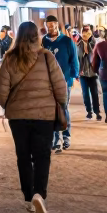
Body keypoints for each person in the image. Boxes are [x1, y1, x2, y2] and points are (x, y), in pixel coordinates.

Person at [0, 20, 68, 213]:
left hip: (18, 117)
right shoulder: (46, 57)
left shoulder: (10, 58)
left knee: (23, 156)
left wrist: (10, 106)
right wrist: (61, 105)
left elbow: (1, 90)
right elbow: (60, 86)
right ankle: (39, 194)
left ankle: (28, 198)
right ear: (37, 36)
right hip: (44, 115)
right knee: (42, 155)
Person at [41, 16, 79, 151]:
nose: (51, 27)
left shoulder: (67, 41)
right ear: (45, 26)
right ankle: (55, 139)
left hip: (64, 80)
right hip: (48, 82)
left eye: (53, 25)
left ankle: (66, 136)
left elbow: (74, 59)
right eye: (48, 25)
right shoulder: (43, 42)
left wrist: (74, 77)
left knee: (63, 108)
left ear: (57, 25)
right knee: (52, 110)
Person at [77, 24, 101, 119]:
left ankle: (97, 112)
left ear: (91, 33)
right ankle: (89, 111)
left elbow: (93, 55)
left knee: (94, 93)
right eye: (84, 31)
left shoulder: (95, 44)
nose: (85, 33)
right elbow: (78, 57)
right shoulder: (79, 44)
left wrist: (87, 45)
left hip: (93, 73)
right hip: (83, 73)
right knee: (85, 94)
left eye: (87, 31)